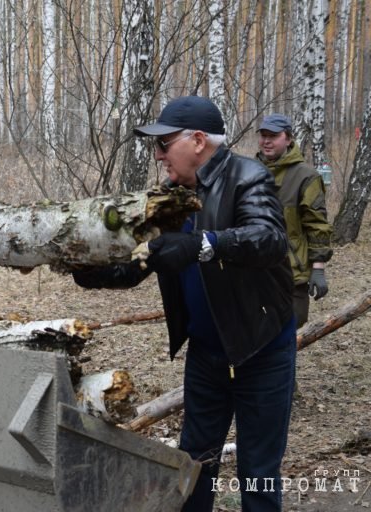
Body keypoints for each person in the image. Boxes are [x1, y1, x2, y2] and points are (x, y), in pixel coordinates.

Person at [72, 96, 296, 511]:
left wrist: (203, 245)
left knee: (258, 469)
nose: (157, 155)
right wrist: (89, 268)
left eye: (164, 144)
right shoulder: (170, 197)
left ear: (197, 141)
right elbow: (140, 263)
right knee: (194, 461)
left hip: (261, 350)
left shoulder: (249, 178)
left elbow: (268, 240)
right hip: (207, 355)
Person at [256, 113, 333, 327]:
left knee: (289, 329)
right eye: (263, 135)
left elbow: (317, 224)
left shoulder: (306, 176)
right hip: (253, 269)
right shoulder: (249, 171)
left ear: (288, 139)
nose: (266, 141)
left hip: (291, 271)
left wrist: (317, 269)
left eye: (273, 135)